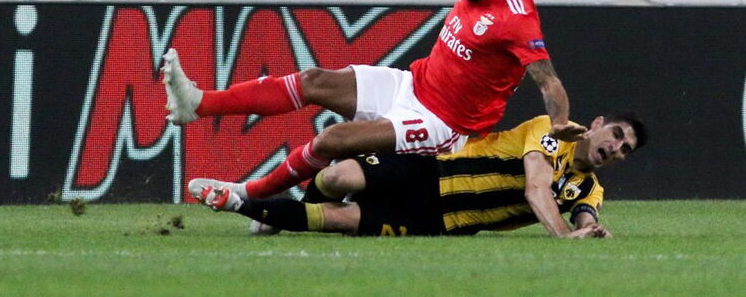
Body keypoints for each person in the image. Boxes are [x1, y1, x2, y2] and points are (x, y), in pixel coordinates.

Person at [165, 0, 587, 201]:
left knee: (334, 139)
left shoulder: (515, 19)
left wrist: (559, 123)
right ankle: (198, 104)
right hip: (413, 84)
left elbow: (548, 81)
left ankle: (249, 194)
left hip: (444, 124)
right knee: (313, 80)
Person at [197, 111, 647, 238]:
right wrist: (564, 234)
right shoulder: (550, 133)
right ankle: (280, 212)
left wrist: (591, 229)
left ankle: (240, 204)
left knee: (339, 221)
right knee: (338, 181)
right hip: (429, 173)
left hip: (441, 223)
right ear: (597, 124)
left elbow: (588, 213)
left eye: (625, 149)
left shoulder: (590, 187)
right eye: (617, 134)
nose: (616, 148)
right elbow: (536, 187)